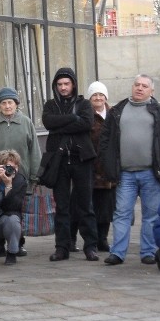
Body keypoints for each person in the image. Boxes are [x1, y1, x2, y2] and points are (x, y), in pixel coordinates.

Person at [100, 74, 160, 266]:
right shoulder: (118, 110)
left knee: (151, 215)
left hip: (151, 173)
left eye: (145, 86)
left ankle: (148, 252)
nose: (140, 88)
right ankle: (117, 253)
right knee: (121, 213)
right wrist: (108, 164)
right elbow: (105, 140)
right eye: (137, 84)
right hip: (125, 173)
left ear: (152, 91)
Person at [41, 67, 99, 261]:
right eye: (59, 84)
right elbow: (48, 122)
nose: (63, 87)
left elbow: (86, 123)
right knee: (62, 206)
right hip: (59, 162)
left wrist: (62, 125)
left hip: (81, 159)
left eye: (66, 84)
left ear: (73, 84)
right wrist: (72, 119)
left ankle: (90, 246)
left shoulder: (83, 103)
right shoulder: (50, 105)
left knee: (85, 205)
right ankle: (62, 247)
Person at [0, 86, 39, 257]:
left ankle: (18, 243)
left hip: (21, 177)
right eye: (3, 103)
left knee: (17, 210)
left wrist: (34, 176)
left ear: (16, 104)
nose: (7, 106)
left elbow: (34, 150)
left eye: (10, 102)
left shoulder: (26, 123)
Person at [85, 81, 116, 252]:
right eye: (94, 95)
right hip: (91, 165)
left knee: (106, 206)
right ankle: (92, 238)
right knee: (91, 205)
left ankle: (103, 238)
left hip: (108, 166)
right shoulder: (86, 115)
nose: (98, 98)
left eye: (101, 95)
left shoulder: (113, 114)